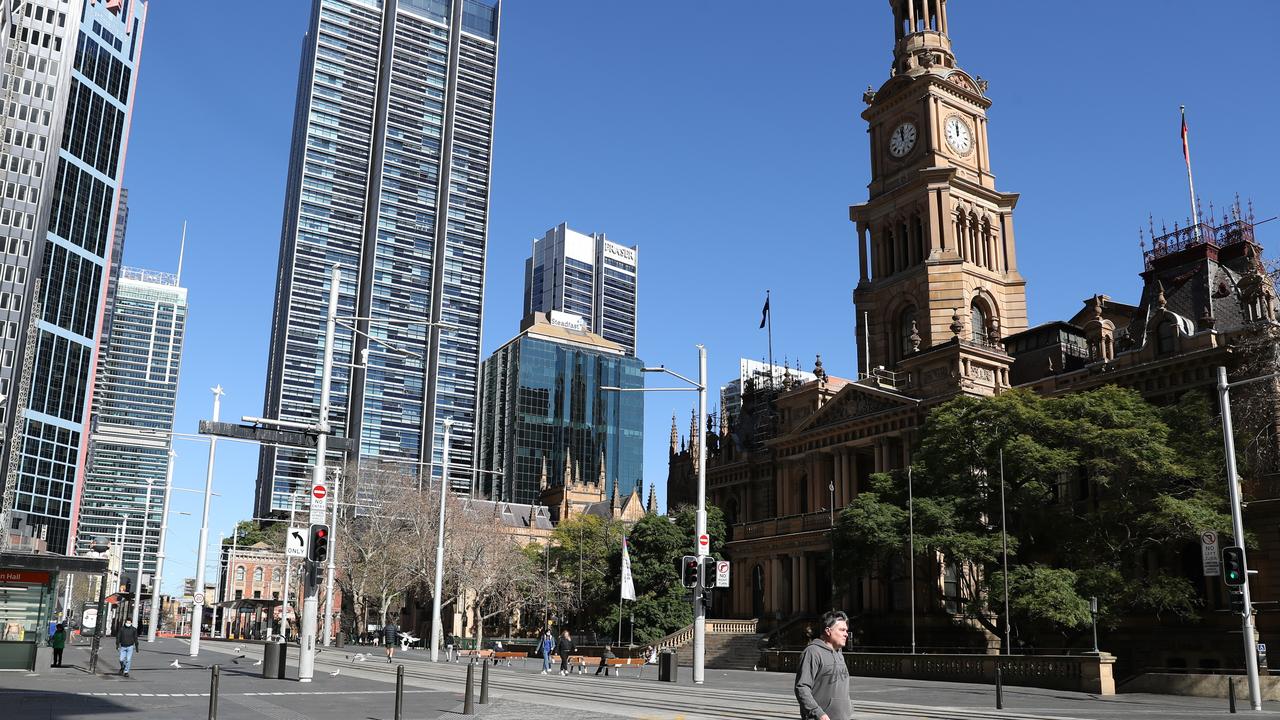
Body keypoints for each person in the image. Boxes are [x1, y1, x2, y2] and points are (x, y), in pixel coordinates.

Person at [794, 610, 851, 720]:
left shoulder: (839, 653)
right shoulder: (812, 652)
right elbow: (802, 687)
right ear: (828, 631)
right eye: (842, 630)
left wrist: (848, 709)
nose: (846, 634)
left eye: (846, 630)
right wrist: (818, 713)